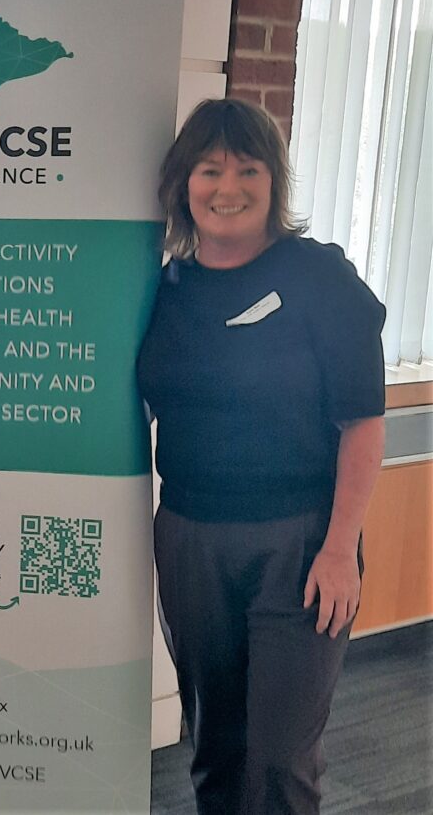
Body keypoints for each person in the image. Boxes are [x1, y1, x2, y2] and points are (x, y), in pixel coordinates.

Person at [137, 98, 385, 815]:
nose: (228, 187)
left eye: (248, 169)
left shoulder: (319, 279)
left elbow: (364, 423)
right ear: (184, 183)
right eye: (209, 169)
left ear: (274, 182)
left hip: (301, 544)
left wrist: (340, 549)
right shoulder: (166, 287)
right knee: (216, 747)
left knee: (280, 760)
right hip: (188, 537)